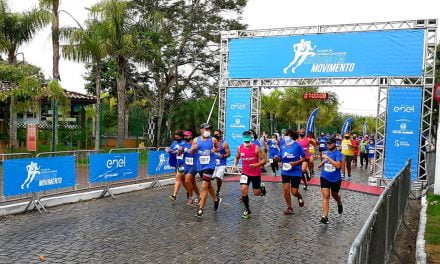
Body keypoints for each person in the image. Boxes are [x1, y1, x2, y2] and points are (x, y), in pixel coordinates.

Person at [232, 131, 267, 219]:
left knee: (256, 193)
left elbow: (264, 160)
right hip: (245, 173)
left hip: (255, 173)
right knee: (244, 190)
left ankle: (261, 189)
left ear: (251, 138)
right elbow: (236, 157)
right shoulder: (239, 148)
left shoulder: (256, 148)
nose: (247, 142)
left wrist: (256, 165)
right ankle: (247, 210)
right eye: (245, 139)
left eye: (248, 139)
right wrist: (234, 165)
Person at [192, 123, 222, 218]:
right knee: (208, 185)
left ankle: (200, 209)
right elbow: (191, 152)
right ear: (201, 130)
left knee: (204, 185)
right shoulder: (196, 140)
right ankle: (216, 199)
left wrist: (215, 150)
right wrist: (193, 148)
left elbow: (218, 148)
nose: (208, 131)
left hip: (210, 165)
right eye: (206, 129)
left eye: (209, 129)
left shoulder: (213, 140)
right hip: (200, 165)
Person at [317, 137, 343, 224]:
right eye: (327, 143)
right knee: (326, 196)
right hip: (325, 176)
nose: (329, 145)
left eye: (330, 143)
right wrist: (321, 164)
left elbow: (338, 166)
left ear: (334, 144)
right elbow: (325, 160)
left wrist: (328, 158)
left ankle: (339, 202)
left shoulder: (338, 153)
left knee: (334, 195)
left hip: (335, 179)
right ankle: (325, 216)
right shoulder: (325, 152)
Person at [280, 129, 306, 215]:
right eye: (286, 135)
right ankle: (289, 207)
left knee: (294, 192)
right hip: (285, 171)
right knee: (286, 190)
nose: (286, 137)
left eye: (288, 135)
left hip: (296, 171)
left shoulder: (297, 146)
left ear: (293, 137)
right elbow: (280, 157)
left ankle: (299, 196)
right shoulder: (282, 146)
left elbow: (304, 158)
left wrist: (295, 163)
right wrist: (277, 158)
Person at [168, 130, 188, 203]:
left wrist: (179, 151)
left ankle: (174, 195)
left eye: (178, 135)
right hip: (177, 163)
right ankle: (189, 192)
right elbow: (171, 149)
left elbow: (186, 151)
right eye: (175, 135)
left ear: (181, 136)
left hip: (184, 163)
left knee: (178, 177)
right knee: (183, 180)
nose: (176, 136)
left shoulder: (184, 143)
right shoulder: (174, 142)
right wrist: (169, 150)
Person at [182, 130, 201, 205]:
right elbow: (181, 153)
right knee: (192, 182)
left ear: (191, 136)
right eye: (185, 136)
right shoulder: (184, 144)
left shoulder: (195, 144)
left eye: (187, 136)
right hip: (187, 165)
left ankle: (190, 197)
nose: (185, 137)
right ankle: (199, 196)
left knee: (187, 181)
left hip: (194, 164)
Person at [212, 130, 230, 197]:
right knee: (210, 177)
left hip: (222, 163)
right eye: (214, 134)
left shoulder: (224, 143)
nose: (215, 135)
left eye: (217, 134)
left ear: (220, 134)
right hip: (213, 163)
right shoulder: (212, 143)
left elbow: (228, 154)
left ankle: (218, 190)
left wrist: (223, 155)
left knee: (218, 177)